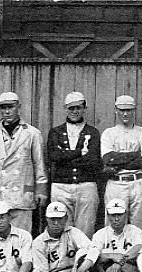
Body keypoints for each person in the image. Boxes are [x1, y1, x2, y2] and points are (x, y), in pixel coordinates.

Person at [0, 92, 49, 234]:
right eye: (3, 108)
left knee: (21, 237)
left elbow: (40, 164)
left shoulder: (32, 133)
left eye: (11, 107)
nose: (7, 111)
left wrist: (41, 190)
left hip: (21, 196)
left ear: (18, 107)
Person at [101, 95, 142, 236]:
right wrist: (136, 154)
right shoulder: (109, 133)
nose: (125, 113)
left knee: (141, 224)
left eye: (129, 110)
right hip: (116, 182)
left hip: (138, 181)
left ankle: (139, 256)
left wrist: (119, 159)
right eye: (122, 110)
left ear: (134, 110)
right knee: (113, 223)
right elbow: (108, 158)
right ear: (116, 110)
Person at [47, 92, 102, 238]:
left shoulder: (93, 132)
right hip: (61, 187)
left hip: (86, 186)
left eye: (78, 107)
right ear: (66, 109)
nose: (75, 111)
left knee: (85, 233)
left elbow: (92, 160)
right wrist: (80, 152)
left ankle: (84, 260)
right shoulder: (55, 132)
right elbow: (54, 156)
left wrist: (65, 155)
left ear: (84, 108)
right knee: (63, 231)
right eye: (71, 108)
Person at [29, 202, 100, 272]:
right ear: (47, 219)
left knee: (84, 252)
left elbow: (94, 250)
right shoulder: (38, 242)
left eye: (60, 219)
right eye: (52, 219)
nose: (56, 223)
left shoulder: (73, 232)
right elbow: (42, 271)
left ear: (66, 218)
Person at [90, 199, 142, 272]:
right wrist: (112, 256)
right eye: (113, 215)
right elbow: (94, 254)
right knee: (101, 264)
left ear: (126, 214)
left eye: (119, 215)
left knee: (138, 262)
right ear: (107, 215)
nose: (116, 219)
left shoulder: (135, 231)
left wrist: (119, 262)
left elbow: (140, 247)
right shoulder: (100, 234)